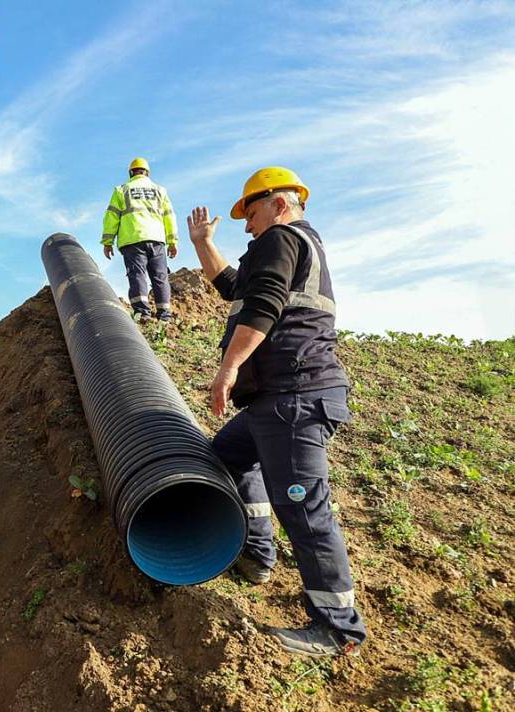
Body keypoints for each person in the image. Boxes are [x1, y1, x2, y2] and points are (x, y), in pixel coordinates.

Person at [186, 166, 367, 656]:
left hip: (295, 396)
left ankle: (337, 627)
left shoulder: (282, 239)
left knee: (303, 508)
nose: (246, 225)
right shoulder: (293, 246)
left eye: (251, 213)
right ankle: (259, 554)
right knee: (226, 456)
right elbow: (233, 286)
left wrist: (227, 370)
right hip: (277, 399)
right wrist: (202, 242)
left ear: (280, 204)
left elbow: (261, 305)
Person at [101, 157, 179, 322]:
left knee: (137, 275)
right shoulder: (160, 191)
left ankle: (142, 313)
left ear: (131, 173)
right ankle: (164, 314)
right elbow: (169, 217)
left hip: (133, 239)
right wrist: (173, 241)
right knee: (160, 276)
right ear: (147, 173)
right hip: (157, 239)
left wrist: (107, 242)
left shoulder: (122, 190)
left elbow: (112, 217)